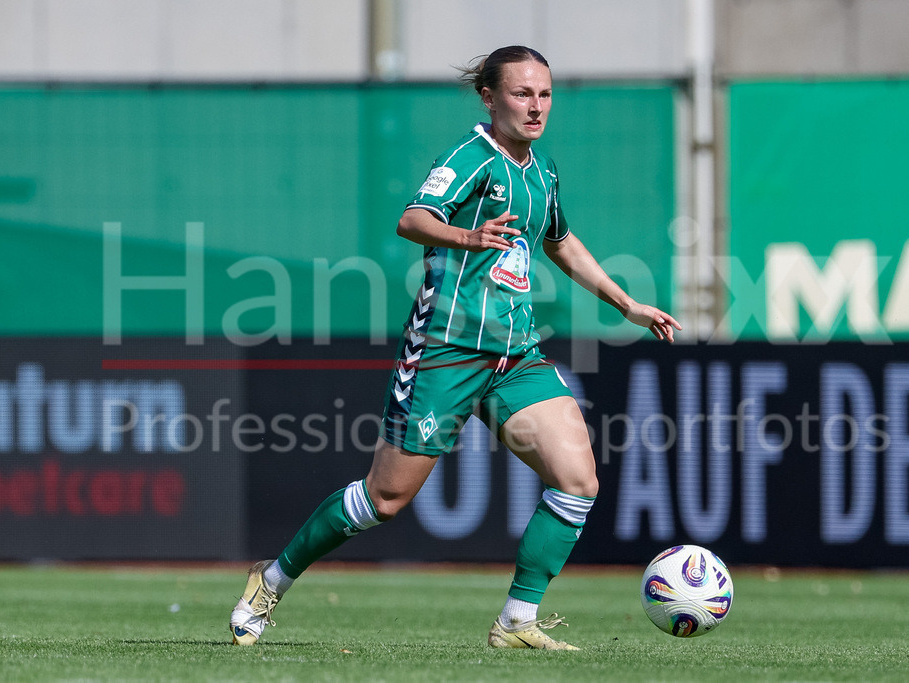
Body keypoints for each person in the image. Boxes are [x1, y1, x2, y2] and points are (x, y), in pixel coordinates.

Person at [229, 45, 681, 651]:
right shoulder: (472, 158)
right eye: (522, 93)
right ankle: (272, 579)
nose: (536, 106)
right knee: (385, 500)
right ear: (489, 98)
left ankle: (517, 621)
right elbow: (412, 219)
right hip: (446, 352)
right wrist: (468, 235)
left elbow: (561, 242)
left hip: (515, 356)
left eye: (545, 94)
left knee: (578, 480)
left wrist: (626, 304)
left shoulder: (542, 170)